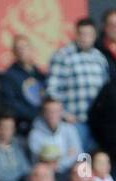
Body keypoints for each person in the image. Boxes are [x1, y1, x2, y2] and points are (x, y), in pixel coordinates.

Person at [46, 18, 111, 152]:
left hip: (97, 122)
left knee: (95, 158)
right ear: (75, 34)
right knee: (79, 160)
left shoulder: (100, 58)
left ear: (94, 37)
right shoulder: (63, 55)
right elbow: (51, 90)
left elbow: (107, 91)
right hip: (74, 121)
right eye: (81, 34)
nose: (85, 38)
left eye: (89, 34)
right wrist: (63, 114)